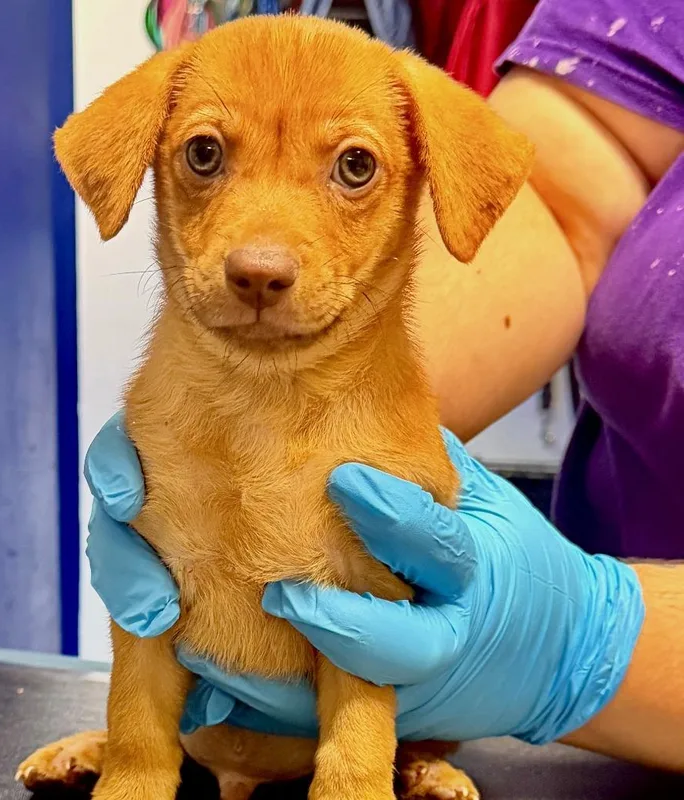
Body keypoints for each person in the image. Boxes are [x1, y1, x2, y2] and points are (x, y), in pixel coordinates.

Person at [84, 0, 684, 771]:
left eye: (354, 166)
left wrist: (590, 643)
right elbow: (573, 208)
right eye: (203, 155)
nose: (262, 253)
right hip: (594, 761)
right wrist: (270, 429)